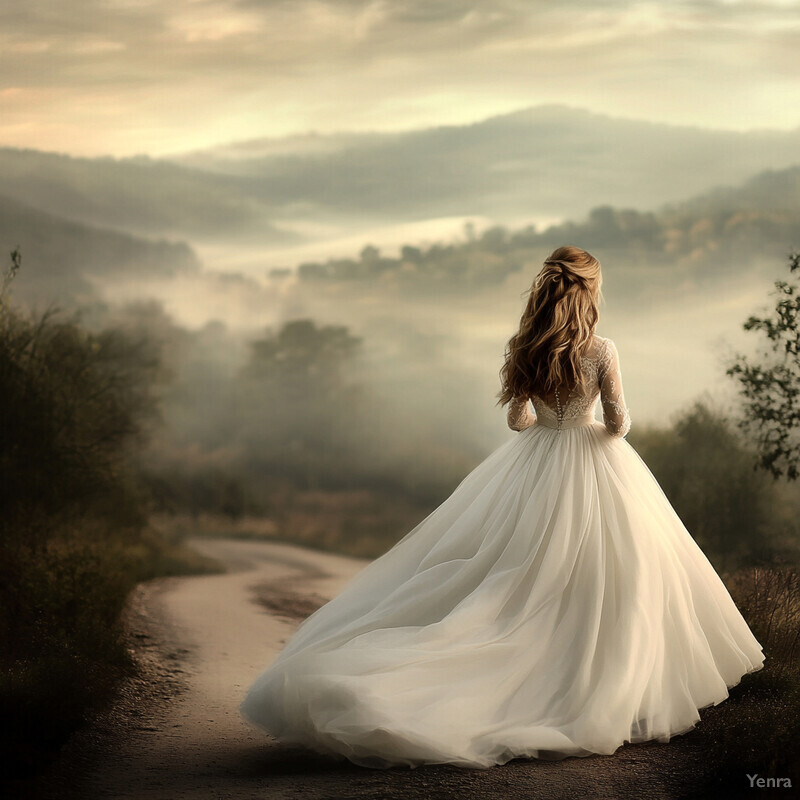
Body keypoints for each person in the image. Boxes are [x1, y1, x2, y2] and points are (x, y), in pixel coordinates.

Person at [239, 245, 765, 770]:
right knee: (612, 571)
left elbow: (516, 422)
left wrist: (547, 425)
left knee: (516, 570)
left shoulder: (526, 347)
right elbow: (619, 422)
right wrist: (592, 428)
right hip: (593, 459)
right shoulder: (602, 350)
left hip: (533, 465)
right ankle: (598, 678)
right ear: (589, 292)